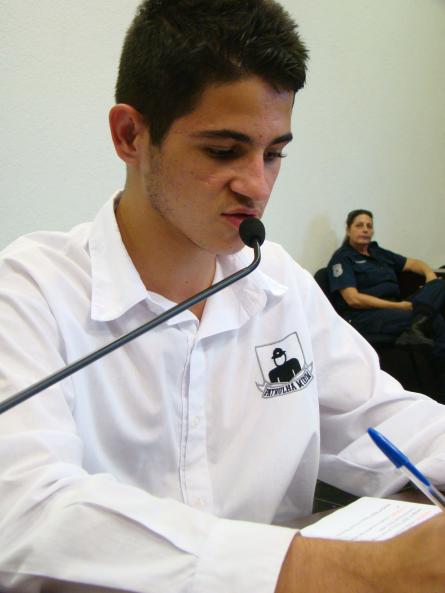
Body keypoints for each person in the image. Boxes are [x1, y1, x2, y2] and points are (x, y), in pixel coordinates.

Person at [1, 2, 445, 592]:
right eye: (222, 151)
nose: (257, 185)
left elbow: (385, 419)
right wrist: (343, 570)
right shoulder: (29, 292)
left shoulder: (278, 283)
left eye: (274, 153)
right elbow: (24, 512)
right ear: (130, 135)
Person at [327, 209, 445, 388]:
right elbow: (353, 299)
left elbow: (414, 263)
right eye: (359, 225)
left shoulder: (377, 252)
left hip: (395, 308)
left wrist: (430, 276)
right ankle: (439, 380)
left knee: (440, 285)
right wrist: (399, 307)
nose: (365, 229)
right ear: (348, 230)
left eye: (369, 226)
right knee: (435, 320)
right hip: (365, 316)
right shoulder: (343, 258)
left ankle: (418, 323)